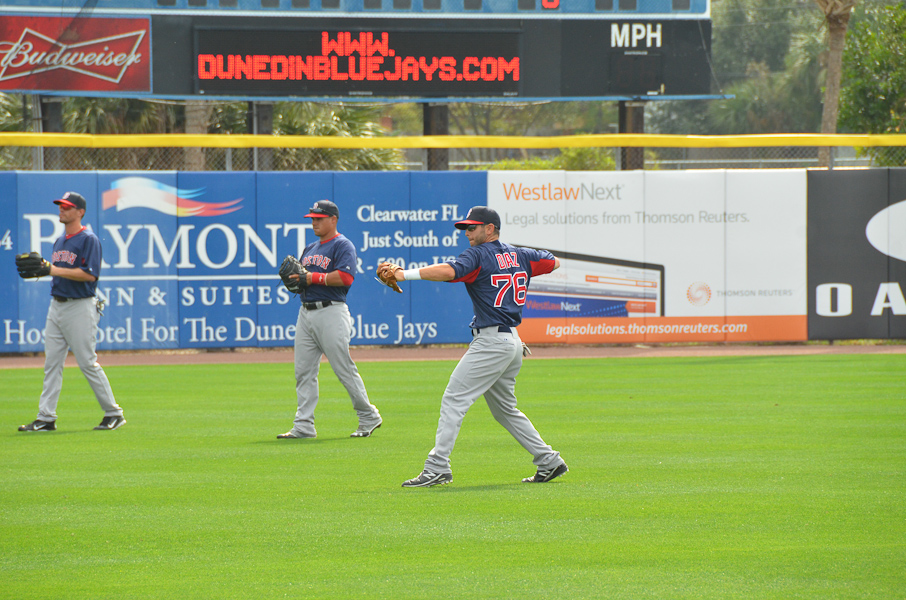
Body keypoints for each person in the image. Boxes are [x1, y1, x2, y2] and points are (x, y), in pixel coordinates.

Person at [389, 206, 568, 487]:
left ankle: (437, 467)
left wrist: (404, 274)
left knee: (453, 400)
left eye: (473, 227)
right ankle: (548, 460)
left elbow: (449, 272)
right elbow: (554, 262)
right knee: (505, 410)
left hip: (493, 342)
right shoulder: (521, 255)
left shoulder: (479, 254)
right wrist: (515, 258)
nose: (467, 233)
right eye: (465, 228)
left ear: (490, 229)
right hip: (512, 341)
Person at [18, 192, 125, 432]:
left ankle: (113, 413)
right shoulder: (60, 241)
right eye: (60, 206)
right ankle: (46, 418)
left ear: (80, 212)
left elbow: (90, 274)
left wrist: (52, 269)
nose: (62, 210)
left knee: (87, 362)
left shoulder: (89, 239)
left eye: (67, 207)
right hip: (56, 305)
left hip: (80, 306)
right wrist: (46, 271)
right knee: (52, 363)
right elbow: (56, 271)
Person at [278, 199, 382, 439]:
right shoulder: (310, 248)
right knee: (303, 371)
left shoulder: (342, 245)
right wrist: (297, 281)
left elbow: (346, 278)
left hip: (331, 311)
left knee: (342, 367)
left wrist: (311, 278)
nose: (314, 222)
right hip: (306, 312)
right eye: (312, 218)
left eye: (319, 218)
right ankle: (303, 424)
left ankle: (368, 415)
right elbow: (302, 280)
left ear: (333, 220)